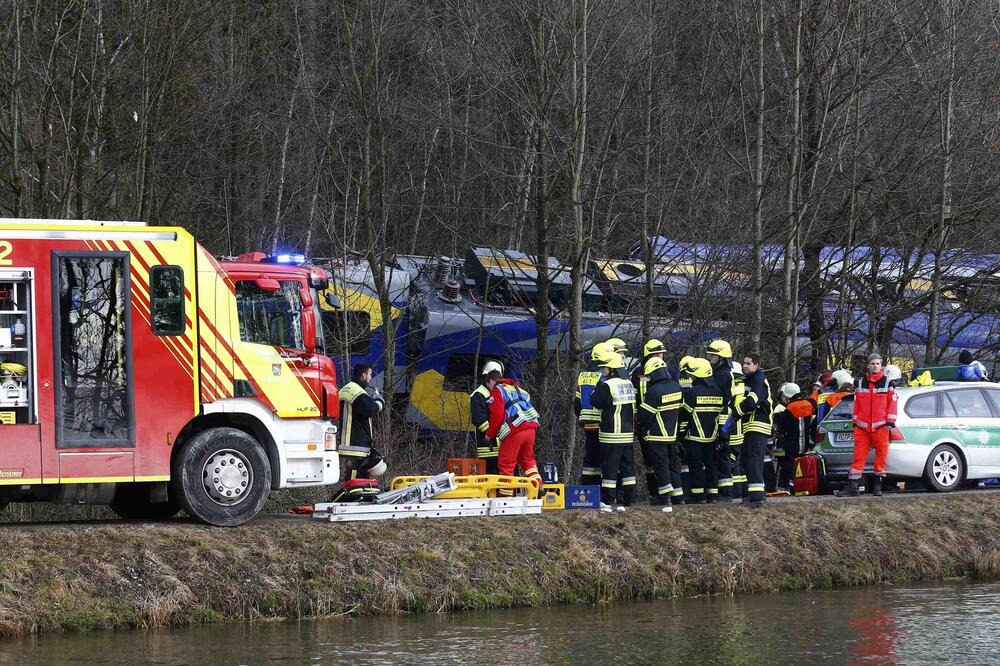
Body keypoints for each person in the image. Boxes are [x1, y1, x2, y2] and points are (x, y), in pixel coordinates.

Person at [836, 353, 898, 498]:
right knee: (858, 457)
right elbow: (856, 404)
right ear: (868, 365)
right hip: (862, 427)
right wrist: (855, 422)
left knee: (881, 457)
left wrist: (889, 422)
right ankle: (853, 486)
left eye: (877, 363)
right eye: (872, 364)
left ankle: (878, 486)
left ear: (881, 365)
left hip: (881, 426)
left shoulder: (888, 383)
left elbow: (892, 404)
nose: (875, 366)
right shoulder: (860, 383)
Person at [590, 351, 637, 511]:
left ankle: (608, 499)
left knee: (609, 468)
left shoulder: (608, 385)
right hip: (627, 434)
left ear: (612, 369)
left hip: (611, 435)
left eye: (606, 368)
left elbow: (596, 401)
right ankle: (630, 498)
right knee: (628, 468)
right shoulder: (629, 383)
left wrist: (597, 387)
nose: (604, 370)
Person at [636, 356, 683, 512]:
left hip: (656, 435)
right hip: (672, 434)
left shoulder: (654, 391)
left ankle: (664, 498)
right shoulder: (677, 387)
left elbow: (644, 416)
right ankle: (677, 496)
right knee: (673, 465)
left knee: (661, 466)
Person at [486, 374, 542, 496]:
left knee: (506, 463)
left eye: (488, 385)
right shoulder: (520, 390)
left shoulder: (497, 390)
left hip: (515, 429)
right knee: (527, 460)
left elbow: (497, 416)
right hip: (531, 428)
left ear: (491, 381)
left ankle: (505, 497)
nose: (489, 388)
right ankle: (538, 486)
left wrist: (489, 435)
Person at [679, 357, 724, 504]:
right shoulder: (718, 392)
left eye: (691, 374)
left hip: (694, 437)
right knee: (711, 465)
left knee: (696, 466)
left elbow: (684, 416)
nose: (690, 377)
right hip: (713, 437)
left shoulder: (692, 393)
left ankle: (698, 496)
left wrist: (681, 433)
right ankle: (713, 495)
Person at [734, 353, 773, 507]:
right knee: (748, 460)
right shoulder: (750, 380)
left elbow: (751, 402)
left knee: (754, 460)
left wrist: (736, 412)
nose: (745, 366)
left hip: (759, 424)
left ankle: (756, 499)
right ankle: (755, 495)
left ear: (756, 365)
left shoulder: (758, 380)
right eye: (744, 363)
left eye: (748, 363)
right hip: (750, 425)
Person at [338, 363, 386, 480]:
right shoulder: (356, 391)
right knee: (355, 479)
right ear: (363, 375)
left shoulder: (347, 389)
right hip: (356, 445)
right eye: (370, 374)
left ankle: (354, 497)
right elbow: (371, 409)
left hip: (350, 443)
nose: (370, 378)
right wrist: (379, 401)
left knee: (357, 477)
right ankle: (351, 498)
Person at [634, 339, 667, 497]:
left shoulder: (669, 371)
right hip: (644, 421)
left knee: (664, 460)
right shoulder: (638, 372)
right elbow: (634, 397)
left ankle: (666, 494)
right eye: (656, 353)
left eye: (661, 353)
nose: (659, 356)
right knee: (648, 461)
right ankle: (654, 493)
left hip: (665, 422)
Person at [576, 342, 613, 484]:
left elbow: (576, 403)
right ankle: (607, 491)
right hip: (603, 423)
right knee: (607, 458)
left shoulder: (583, 375)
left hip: (587, 424)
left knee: (591, 457)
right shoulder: (605, 377)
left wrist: (582, 420)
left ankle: (588, 489)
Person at [773, 382, 816, 492]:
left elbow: (783, 427)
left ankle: (789, 487)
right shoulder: (810, 404)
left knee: (790, 467)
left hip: (793, 443)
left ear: (788, 396)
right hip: (808, 444)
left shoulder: (791, 407)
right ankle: (802, 486)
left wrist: (778, 432)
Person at [707, 340, 734, 501]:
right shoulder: (720, 372)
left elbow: (720, 399)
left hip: (722, 420)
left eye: (713, 354)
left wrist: (722, 429)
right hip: (722, 419)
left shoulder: (722, 375)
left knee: (723, 456)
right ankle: (723, 493)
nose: (710, 357)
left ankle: (725, 494)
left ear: (721, 357)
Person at [470, 360, 503, 474]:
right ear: (489, 379)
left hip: (502, 446)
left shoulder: (496, 393)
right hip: (488, 447)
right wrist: (492, 433)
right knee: (492, 476)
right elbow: (479, 419)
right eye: (497, 382)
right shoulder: (478, 395)